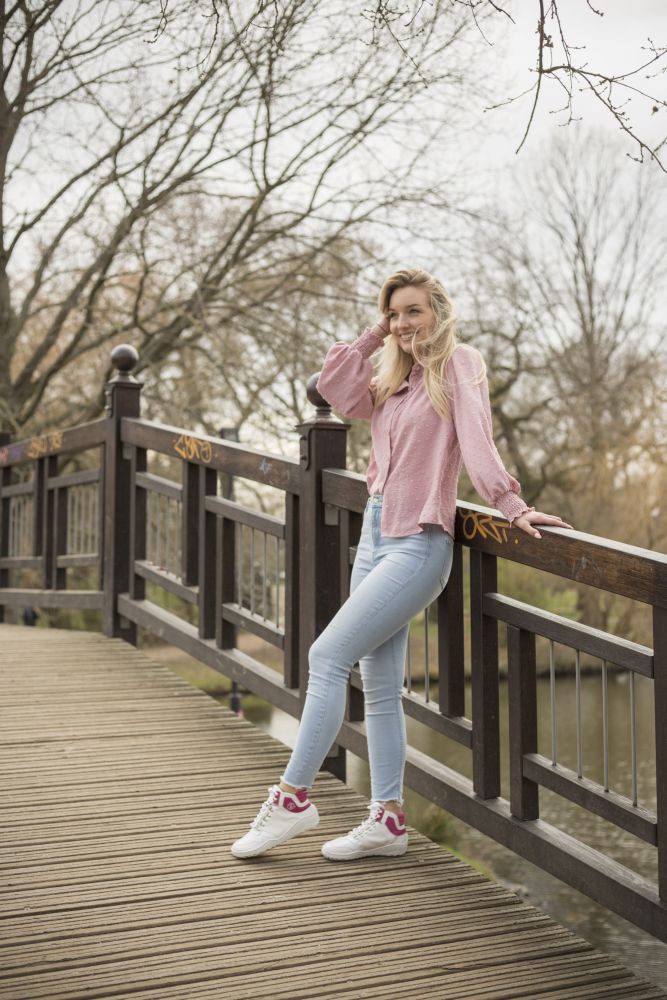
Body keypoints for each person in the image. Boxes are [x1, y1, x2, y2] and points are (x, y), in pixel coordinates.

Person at [231, 268, 572, 862]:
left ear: (438, 311)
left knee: (325, 656)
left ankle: (291, 799)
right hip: (374, 535)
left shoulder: (458, 365)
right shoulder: (393, 378)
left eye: (414, 311)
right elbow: (333, 388)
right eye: (395, 314)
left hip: (419, 542)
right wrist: (375, 336)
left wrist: (511, 504)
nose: (404, 324)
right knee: (381, 684)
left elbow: (478, 438)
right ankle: (387, 819)